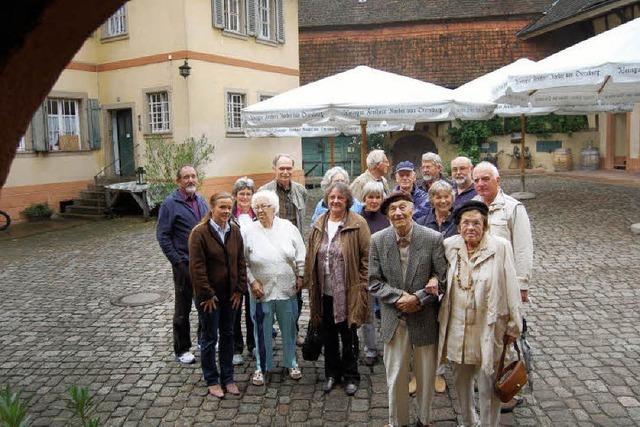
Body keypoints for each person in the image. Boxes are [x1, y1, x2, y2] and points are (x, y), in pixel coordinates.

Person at [437, 201, 523, 426]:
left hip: (489, 326)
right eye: (466, 223)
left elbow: (512, 286)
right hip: (458, 328)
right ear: (458, 227)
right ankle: (467, 421)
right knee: (461, 382)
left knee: (488, 386)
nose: (471, 228)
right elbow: (439, 277)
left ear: (485, 226)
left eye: (476, 223)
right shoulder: (449, 246)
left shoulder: (500, 247)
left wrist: (514, 325)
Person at [368, 191, 447, 427]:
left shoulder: (432, 238)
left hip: (424, 317)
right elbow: (373, 281)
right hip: (395, 317)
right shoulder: (378, 240)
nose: (398, 212)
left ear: (413, 209)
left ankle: (424, 420)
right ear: (387, 215)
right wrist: (401, 297)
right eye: (392, 210)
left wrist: (419, 298)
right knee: (396, 376)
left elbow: (442, 279)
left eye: (402, 207)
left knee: (425, 376)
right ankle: (397, 422)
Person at [472, 161, 533, 413]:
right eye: (477, 180)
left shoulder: (513, 208)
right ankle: (485, 379)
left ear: (498, 180)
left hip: (504, 284)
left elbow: (523, 247)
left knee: (505, 337)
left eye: (486, 178)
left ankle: (507, 390)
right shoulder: (473, 207)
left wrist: (522, 285)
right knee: (480, 333)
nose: (481, 184)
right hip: (478, 283)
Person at [304, 182, 370, 396]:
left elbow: (367, 258)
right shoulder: (319, 223)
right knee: (329, 335)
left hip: (349, 291)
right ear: (326, 199)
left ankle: (351, 375)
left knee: (349, 335)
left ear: (347, 201)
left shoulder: (358, 223)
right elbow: (310, 256)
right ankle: (332, 374)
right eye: (332, 197)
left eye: (340, 198)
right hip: (324, 292)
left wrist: (361, 286)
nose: (335, 201)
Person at [243, 190, 306, 386]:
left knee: (289, 328)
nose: (260, 210)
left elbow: (301, 253)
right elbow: (242, 261)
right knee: (261, 330)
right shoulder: (248, 231)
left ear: (274, 208)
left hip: (287, 289)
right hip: (261, 291)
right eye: (257, 207)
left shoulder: (288, 227)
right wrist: (252, 281)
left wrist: (301, 275)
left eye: (264, 206)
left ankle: (291, 362)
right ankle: (262, 366)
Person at [188, 192, 246, 399]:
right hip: (209, 299)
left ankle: (228, 378)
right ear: (212, 208)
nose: (226, 211)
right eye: (222, 207)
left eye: (229, 207)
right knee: (210, 338)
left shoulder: (235, 231)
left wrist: (239, 290)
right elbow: (196, 267)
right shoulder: (200, 233)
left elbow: (240, 261)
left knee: (229, 335)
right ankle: (212, 379)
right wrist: (206, 294)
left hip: (231, 296)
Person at [156, 165, 209, 365]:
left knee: (205, 303)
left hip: (203, 264)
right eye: (186, 177)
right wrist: (177, 262)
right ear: (178, 181)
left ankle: (203, 340)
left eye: (193, 176)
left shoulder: (201, 200)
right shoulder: (170, 204)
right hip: (183, 264)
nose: (190, 180)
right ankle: (182, 348)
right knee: (183, 308)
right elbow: (162, 235)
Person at [258, 153, 307, 342]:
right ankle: (267, 332)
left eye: (288, 168)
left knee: (296, 292)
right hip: (270, 250)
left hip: (293, 250)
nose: (285, 172)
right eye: (281, 168)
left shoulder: (300, 190)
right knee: (269, 292)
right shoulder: (264, 191)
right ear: (275, 169)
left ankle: (292, 331)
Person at [359, 181, 390, 366]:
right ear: (364, 199)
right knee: (367, 315)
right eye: (370, 197)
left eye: (377, 197)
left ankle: (389, 347)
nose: (374, 201)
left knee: (387, 312)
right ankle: (370, 349)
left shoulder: (388, 217)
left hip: (386, 273)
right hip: (365, 273)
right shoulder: (357, 218)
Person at [231, 176, 256, 366]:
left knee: (253, 312)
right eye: (242, 194)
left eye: (248, 193)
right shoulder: (229, 214)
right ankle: (236, 348)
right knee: (235, 311)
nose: (245, 197)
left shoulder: (259, 213)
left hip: (254, 269)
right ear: (235, 196)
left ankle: (253, 345)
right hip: (233, 271)